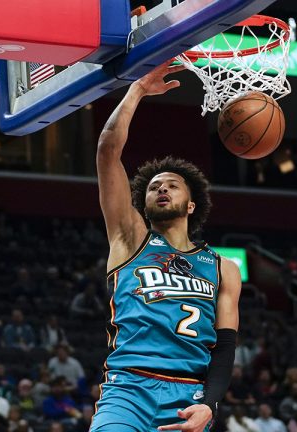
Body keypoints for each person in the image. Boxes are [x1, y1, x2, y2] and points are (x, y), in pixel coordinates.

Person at [91, 59, 242, 432]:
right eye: (155, 186)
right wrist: (138, 88)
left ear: (191, 205)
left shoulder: (223, 267)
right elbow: (108, 150)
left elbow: (224, 347)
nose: (161, 188)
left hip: (188, 398)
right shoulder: (130, 239)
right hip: (128, 389)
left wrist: (210, 405)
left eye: (172, 184)